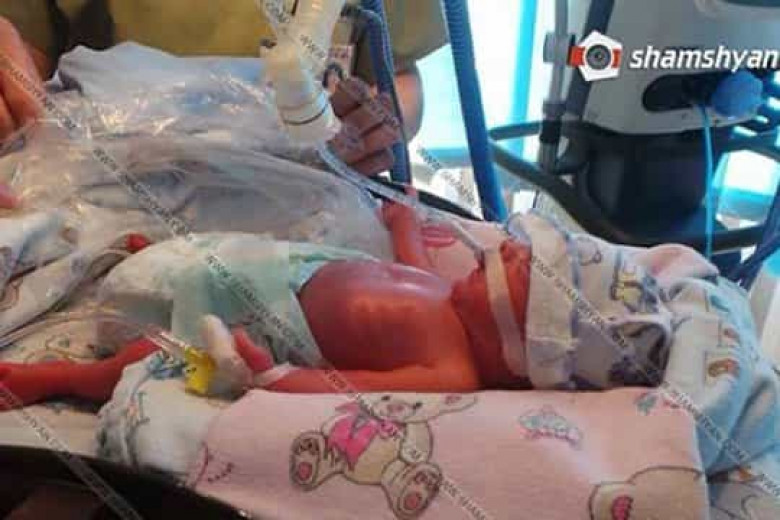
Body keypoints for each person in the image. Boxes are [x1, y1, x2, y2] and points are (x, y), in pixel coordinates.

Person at [0, 192, 731, 404]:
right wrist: (404, 225)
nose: (507, 250)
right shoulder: (455, 303)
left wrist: (269, 375)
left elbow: (347, 389)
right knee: (219, 238)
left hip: (248, 322)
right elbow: (410, 266)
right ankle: (157, 255)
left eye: (525, 268)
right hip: (269, 266)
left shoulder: (452, 372)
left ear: (530, 339)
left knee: (152, 357)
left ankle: (59, 379)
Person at [0, 0, 448, 204]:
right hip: (113, 198)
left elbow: (399, 77)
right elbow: (22, 65)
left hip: (312, 200)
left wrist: (371, 126)